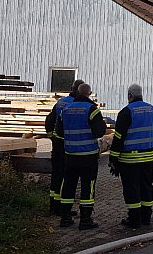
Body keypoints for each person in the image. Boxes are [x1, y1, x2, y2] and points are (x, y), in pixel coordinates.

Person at [109, 84, 153, 228]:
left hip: (129, 159)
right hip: (148, 158)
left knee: (132, 188)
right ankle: (146, 218)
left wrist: (113, 159)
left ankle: (134, 220)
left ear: (129, 95)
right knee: (146, 187)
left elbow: (119, 138)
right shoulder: (152, 110)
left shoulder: (126, 112)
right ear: (141, 95)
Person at [56, 83, 106, 229]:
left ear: (77, 92)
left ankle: (65, 218)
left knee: (68, 186)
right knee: (87, 187)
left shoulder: (65, 109)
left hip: (70, 155)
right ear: (90, 94)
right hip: (88, 156)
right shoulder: (92, 110)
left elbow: (59, 132)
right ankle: (85, 220)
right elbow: (99, 132)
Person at [44, 79, 84, 216]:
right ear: (79, 91)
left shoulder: (61, 102)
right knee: (65, 176)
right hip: (68, 146)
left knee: (56, 174)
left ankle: (53, 205)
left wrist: (52, 137)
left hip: (58, 144)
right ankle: (61, 207)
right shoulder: (76, 104)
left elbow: (49, 121)